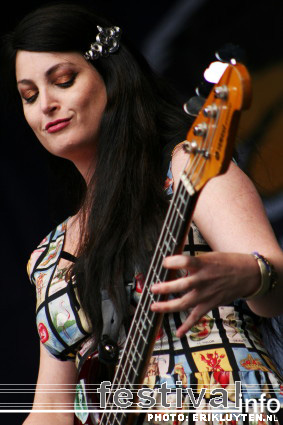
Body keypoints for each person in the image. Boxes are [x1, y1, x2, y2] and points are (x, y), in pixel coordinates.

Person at [2, 3, 283, 425]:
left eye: (63, 81)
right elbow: (52, 410)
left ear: (111, 79)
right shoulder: (46, 257)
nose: (46, 104)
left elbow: (275, 285)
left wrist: (249, 274)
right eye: (30, 95)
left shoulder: (186, 169)